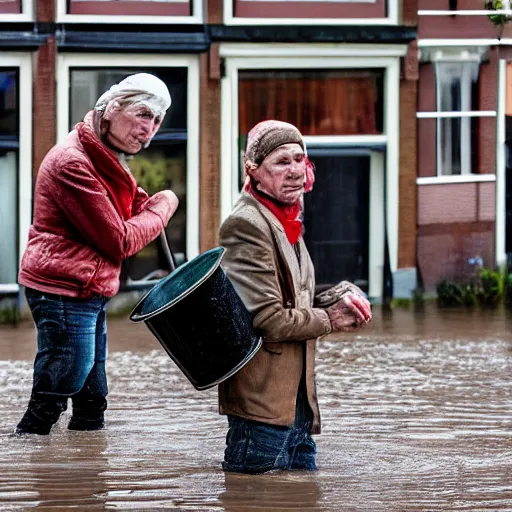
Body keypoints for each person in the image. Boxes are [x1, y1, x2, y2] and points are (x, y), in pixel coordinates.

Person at [15, 73, 179, 435]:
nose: (149, 129)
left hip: (89, 287)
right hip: (62, 287)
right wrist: (164, 206)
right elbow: (119, 241)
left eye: (156, 121)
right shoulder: (72, 162)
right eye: (143, 115)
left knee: (92, 397)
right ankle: (25, 460)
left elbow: (129, 205)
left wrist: (145, 206)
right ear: (112, 109)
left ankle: (87, 481)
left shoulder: (106, 156)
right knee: (60, 383)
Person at [218, 120, 372, 473]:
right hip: (261, 415)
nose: (295, 171)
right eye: (281, 162)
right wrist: (331, 319)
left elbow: (294, 297)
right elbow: (269, 320)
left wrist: (337, 295)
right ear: (253, 171)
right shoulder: (247, 224)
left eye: (299, 159)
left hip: (298, 411)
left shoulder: (286, 220)